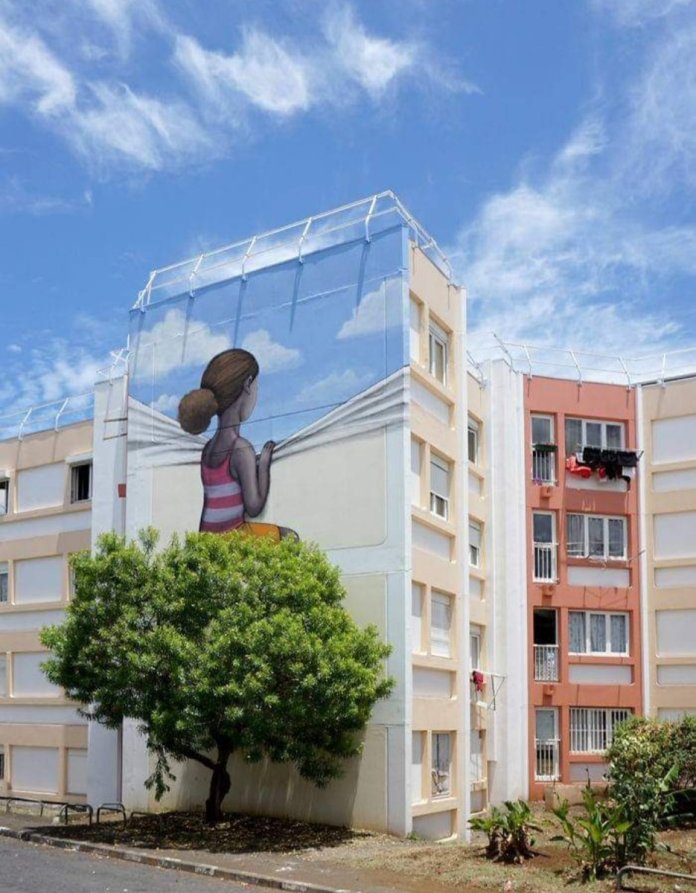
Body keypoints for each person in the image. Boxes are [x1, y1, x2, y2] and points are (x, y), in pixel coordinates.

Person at [178, 348, 295, 541]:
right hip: (232, 539)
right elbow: (254, 507)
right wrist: (264, 464)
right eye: (257, 388)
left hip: (206, 542)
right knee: (290, 537)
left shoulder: (207, 450)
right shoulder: (241, 449)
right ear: (248, 385)